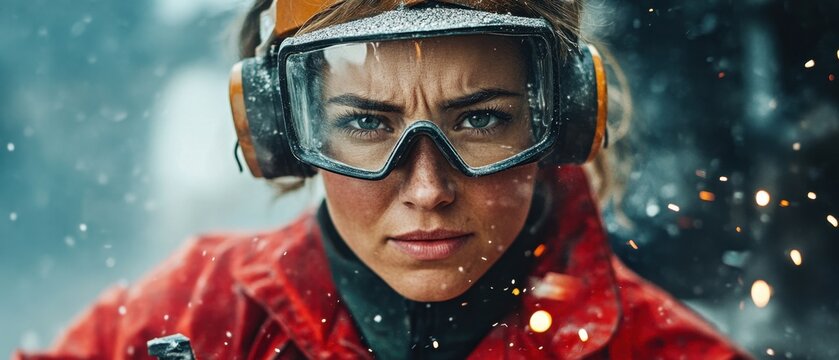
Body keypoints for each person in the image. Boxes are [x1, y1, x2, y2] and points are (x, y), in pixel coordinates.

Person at [15, 0, 752, 359]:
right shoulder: (185, 319)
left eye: (481, 121)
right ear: (278, 131)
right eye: (366, 124)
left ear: (561, 121)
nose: (427, 189)